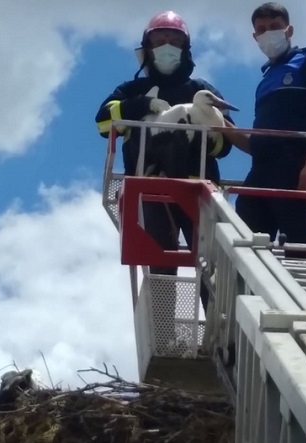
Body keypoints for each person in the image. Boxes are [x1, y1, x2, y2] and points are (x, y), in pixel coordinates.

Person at [95, 11, 235, 351]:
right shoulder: (131, 90)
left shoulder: (202, 90)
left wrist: (195, 135)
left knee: (212, 262)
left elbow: (225, 143)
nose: (168, 46)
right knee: (161, 263)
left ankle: (223, 338)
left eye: (175, 40)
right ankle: (165, 340)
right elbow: (103, 123)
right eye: (160, 40)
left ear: (186, 48)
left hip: (198, 187)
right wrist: (142, 105)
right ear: (147, 47)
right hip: (151, 187)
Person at [222, 2, 306, 259]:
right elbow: (258, 143)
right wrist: (220, 125)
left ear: (289, 30)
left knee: (297, 246)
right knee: (247, 236)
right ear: (255, 37)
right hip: (260, 169)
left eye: (275, 27)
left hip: (294, 167)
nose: (268, 33)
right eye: (262, 29)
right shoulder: (265, 80)